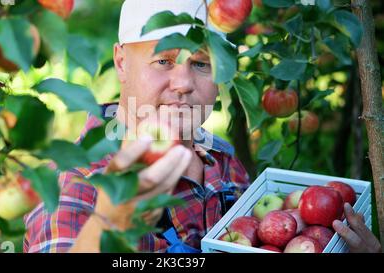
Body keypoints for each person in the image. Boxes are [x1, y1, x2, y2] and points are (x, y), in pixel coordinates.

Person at [23, 0, 381, 253]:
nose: (183, 83)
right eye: (163, 60)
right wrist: (108, 222)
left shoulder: (220, 158)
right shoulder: (73, 183)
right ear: (120, 61)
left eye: (201, 64)